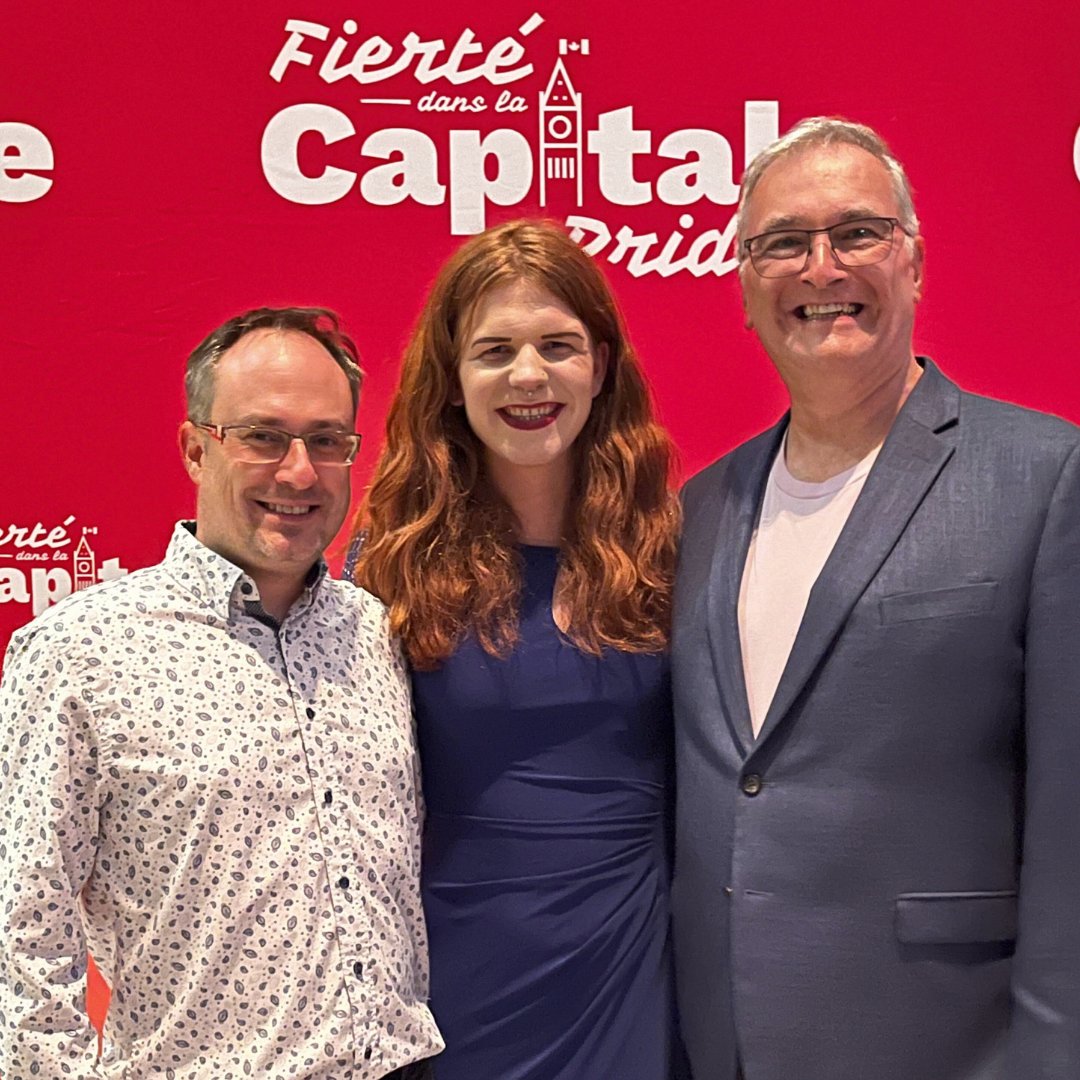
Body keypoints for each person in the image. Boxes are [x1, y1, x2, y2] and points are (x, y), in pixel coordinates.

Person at [672, 116, 1080, 1079]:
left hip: (945, 1046)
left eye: (856, 233)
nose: (820, 269)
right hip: (719, 1043)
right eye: (783, 243)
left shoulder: (1044, 475)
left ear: (914, 263)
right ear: (743, 282)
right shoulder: (699, 507)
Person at [0, 307, 441, 1079]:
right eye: (263, 437)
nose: (299, 472)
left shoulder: (380, 635)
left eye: (327, 441)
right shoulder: (80, 652)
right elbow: (22, 926)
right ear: (196, 448)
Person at [350, 220, 683, 1080]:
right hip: (456, 978)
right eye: (494, 349)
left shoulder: (678, 550)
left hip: (637, 968)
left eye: (558, 345)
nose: (528, 375)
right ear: (453, 380)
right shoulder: (385, 566)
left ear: (601, 366)